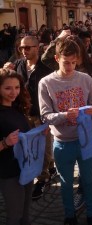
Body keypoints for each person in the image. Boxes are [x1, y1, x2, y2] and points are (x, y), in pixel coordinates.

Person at [38, 38, 92, 225]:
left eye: (74, 62)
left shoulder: (86, 79)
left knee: (88, 181)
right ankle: (69, 216)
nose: (71, 66)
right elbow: (45, 115)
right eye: (66, 62)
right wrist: (65, 115)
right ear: (57, 58)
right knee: (65, 183)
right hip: (62, 142)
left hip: (85, 140)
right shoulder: (46, 82)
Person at [3, 35, 57, 200]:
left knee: (43, 148)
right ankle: (47, 168)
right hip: (22, 115)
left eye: (28, 47)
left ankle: (43, 178)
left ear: (37, 48)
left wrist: (48, 120)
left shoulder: (46, 69)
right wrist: (4, 69)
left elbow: (52, 96)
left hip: (40, 116)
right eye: (21, 48)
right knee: (27, 148)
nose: (24, 51)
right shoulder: (18, 65)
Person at [0, 68, 32, 225]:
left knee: (25, 214)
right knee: (14, 216)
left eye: (17, 87)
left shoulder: (17, 107)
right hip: (8, 173)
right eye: (8, 88)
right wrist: (4, 143)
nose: (13, 92)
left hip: (25, 168)